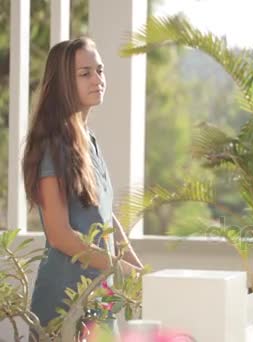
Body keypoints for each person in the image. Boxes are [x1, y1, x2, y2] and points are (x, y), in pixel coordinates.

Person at [21, 37, 143, 333]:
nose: (97, 79)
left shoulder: (91, 142)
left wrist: (139, 271)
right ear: (63, 83)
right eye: (85, 73)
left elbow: (105, 219)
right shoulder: (53, 146)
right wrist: (120, 267)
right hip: (65, 302)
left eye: (100, 70)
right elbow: (60, 235)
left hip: (101, 298)